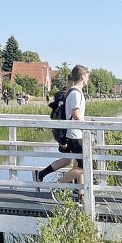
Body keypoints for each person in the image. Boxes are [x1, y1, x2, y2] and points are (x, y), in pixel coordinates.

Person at [33, 65, 90, 202]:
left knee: (73, 162)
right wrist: (87, 125)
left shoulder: (72, 92)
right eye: (87, 76)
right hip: (76, 135)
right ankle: (58, 188)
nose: (88, 79)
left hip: (72, 134)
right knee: (84, 166)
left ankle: (79, 192)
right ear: (82, 77)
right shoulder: (76, 93)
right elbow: (76, 114)